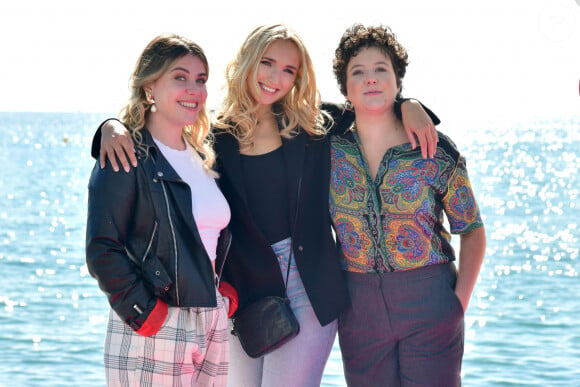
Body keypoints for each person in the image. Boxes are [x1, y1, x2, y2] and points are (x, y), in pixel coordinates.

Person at [91, 24, 439, 386]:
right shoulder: (212, 135)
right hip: (241, 288)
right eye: (268, 63)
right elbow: (158, 132)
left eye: (289, 70)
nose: (276, 78)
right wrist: (109, 126)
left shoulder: (315, 125)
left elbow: (373, 106)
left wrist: (407, 104)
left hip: (309, 285)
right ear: (248, 61)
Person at [329, 24, 487, 386]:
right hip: (358, 308)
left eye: (380, 69)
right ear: (346, 88)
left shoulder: (434, 149)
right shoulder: (328, 149)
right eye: (358, 72)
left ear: (398, 82)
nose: (371, 79)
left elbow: (472, 230)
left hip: (430, 303)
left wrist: (456, 307)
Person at [85, 34, 232, 386]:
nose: (193, 89)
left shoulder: (203, 157)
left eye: (201, 80)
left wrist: (224, 294)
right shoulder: (125, 153)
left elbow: (211, 236)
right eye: (179, 77)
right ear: (150, 86)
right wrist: (146, 314)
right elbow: (102, 248)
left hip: (212, 317)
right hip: (156, 323)